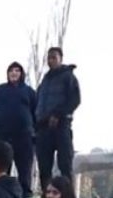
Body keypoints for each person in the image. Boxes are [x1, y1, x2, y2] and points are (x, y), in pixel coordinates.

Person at [0, 62, 38, 198]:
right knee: (1, 170)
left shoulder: (29, 92)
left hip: (24, 138)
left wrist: (32, 129)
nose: (14, 73)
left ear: (21, 74)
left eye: (17, 70)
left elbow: (37, 112)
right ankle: (1, 197)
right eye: (11, 71)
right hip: (3, 137)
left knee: (25, 171)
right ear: (7, 74)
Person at [34, 47, 81, 185]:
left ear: (60, 58)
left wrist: (58, 114)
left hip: (61, 125)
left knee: (65, 164)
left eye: (54, 57)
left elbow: (75, 99)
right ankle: (46, 195)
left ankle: (67, 195)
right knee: (44, 167)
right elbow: (37, 103)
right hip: (43, 128)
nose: (51, 61)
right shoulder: (45, 81)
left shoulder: (68, 77)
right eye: (49, 58)